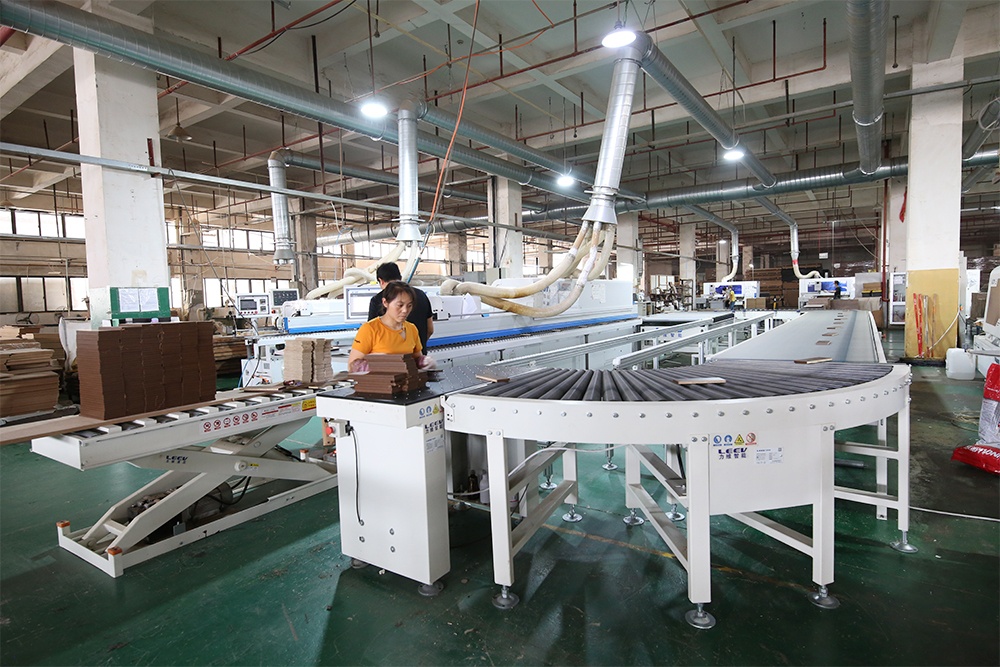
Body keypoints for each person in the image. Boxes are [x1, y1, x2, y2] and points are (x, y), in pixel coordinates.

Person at [349, 281, 426, 373]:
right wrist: (376, 364)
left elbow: (417, 359)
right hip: (380, 381)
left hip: (406, 381)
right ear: (385, 302)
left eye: (409, 305)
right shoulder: (370, 329)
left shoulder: (412, 329)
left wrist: (423, 362)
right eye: (400, 305)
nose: (405, 310)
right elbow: (352, 366)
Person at [367, 263, 434, 355]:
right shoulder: (421, 295)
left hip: (391, 360)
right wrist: (416, 345)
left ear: (381, 281)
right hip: (418, 357)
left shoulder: (377, 300)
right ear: (400, 277)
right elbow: (430, 329)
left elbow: (371, 335)